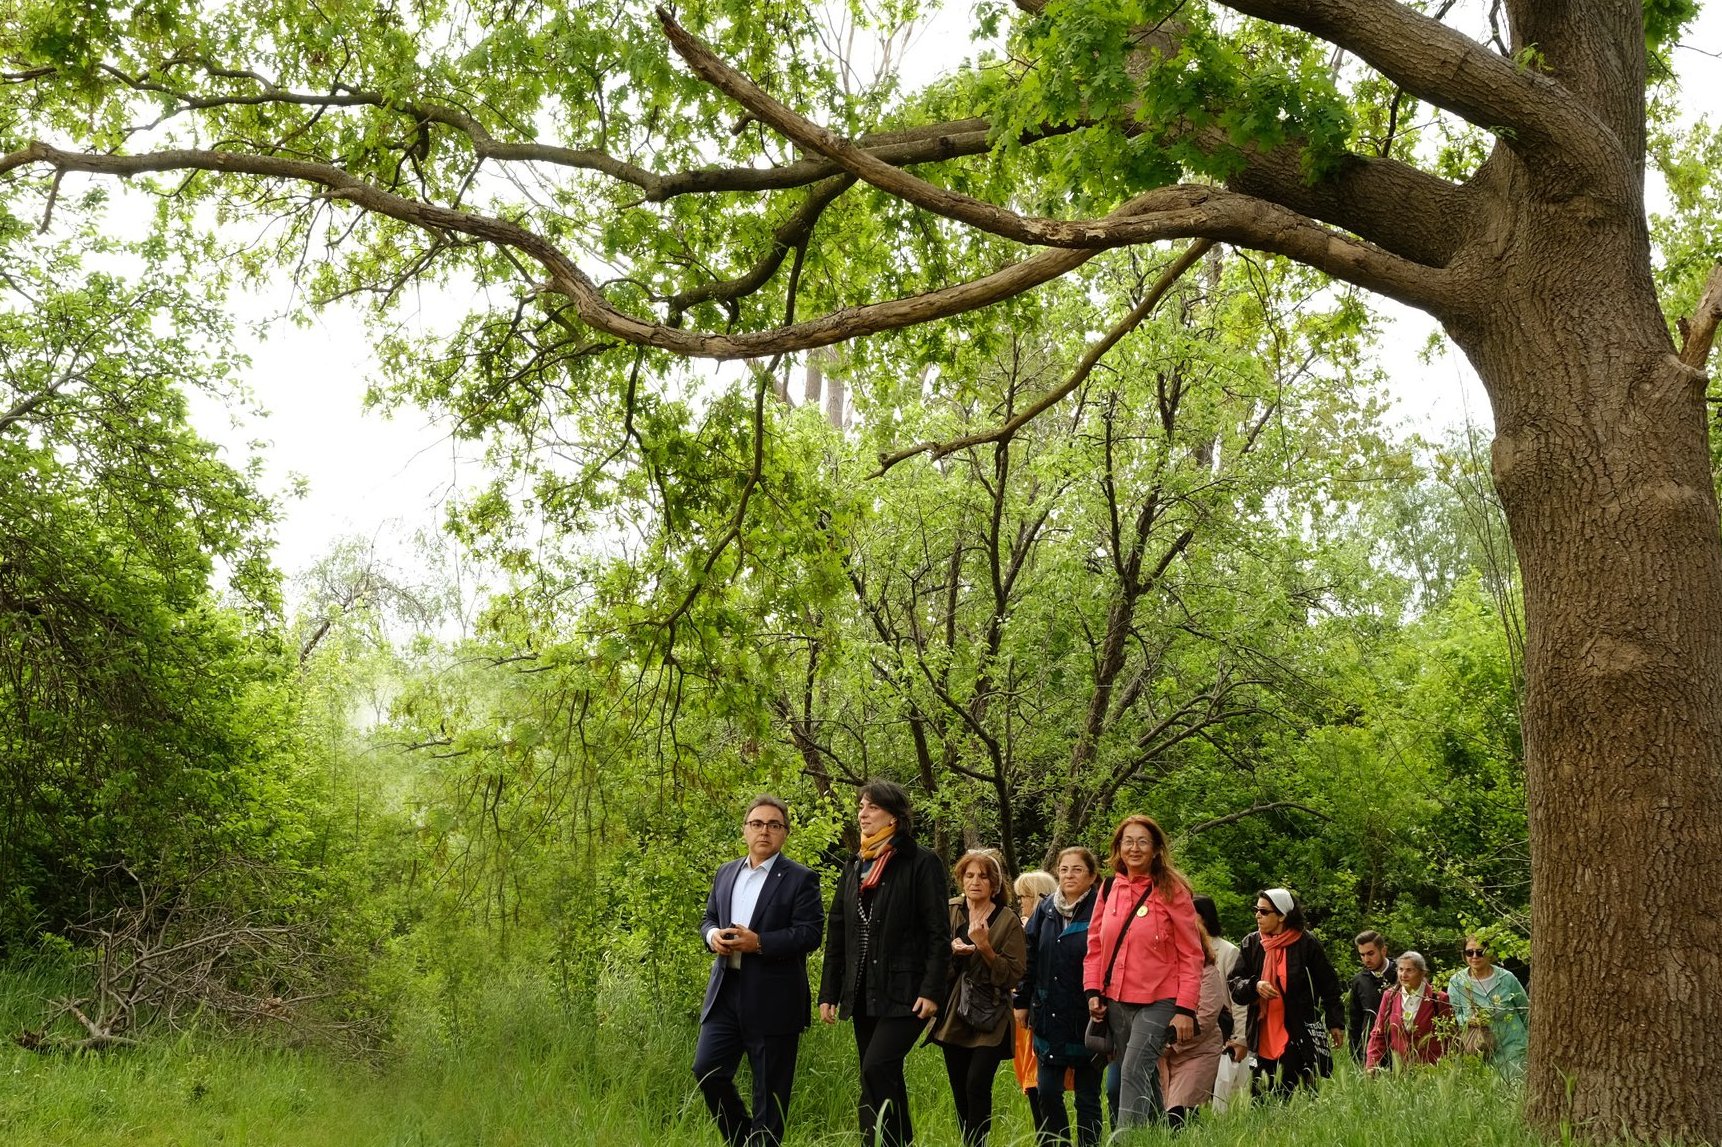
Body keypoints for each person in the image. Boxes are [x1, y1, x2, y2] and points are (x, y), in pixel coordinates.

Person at [818, 780, 950, 1147]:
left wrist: (932, 989)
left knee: (877, 1067)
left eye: (872, 807)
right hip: (862, 990)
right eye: (861, 806)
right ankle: (892, 1142)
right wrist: (829, 991)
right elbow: (838, 933)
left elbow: (938, 932)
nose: (863, 814)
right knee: (879, 1073)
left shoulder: (921, 862)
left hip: (906, 991)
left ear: (895, 815)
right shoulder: (854, 864)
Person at [694, 795, 825, 1147]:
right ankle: (744, 1140)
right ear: (744, 830)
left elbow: (810, 933)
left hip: (774, 998)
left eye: (773, 825)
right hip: (725, 991)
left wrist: (760, 943)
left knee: (769, 1094)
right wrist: (712, 936)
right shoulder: (726, 872)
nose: (764, 831)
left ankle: (762, 1142)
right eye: (757, 824)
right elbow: (708, 918)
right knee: (707, 1070)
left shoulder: (801, 879)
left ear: (785, 833)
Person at [1082, 814, 1204, 1130]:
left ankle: (1124, 1139)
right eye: (1128, 841)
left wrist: (1185, 1009)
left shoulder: (1172, 889)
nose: (1134, 848)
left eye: (1142, 842)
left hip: (1160, 999)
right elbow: (1095, 944)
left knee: (1132, 1072)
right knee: (1144, 1077)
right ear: (1118, 848)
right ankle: (1162, 1136)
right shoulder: (1108, 888)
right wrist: (1093, 991)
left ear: (1155, 850)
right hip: (1117, 1000)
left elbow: (1192, 953)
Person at [929, 850, 1027, 1147]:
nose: (975, 882)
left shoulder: (1008, 920)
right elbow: (929, 959)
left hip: (992, 1014)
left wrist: (985, 948)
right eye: (969, 875)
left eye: (983, 876)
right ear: (960, 878)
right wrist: (951, 952)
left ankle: (978, 1143)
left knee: (976, 1084)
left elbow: (1013, 974)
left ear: (995, 884)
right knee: (959, 1087)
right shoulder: (949, 910)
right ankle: (968, 1141)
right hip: (954, 1013)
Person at [1015, 847, 1104, 1147]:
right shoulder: (1046, 909)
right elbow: (1030, 957)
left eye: (1077, 869)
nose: (1069, 875)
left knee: (1087, 1096)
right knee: (1048, 1091)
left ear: (1091, 876)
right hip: (1048, 1012)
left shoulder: (1101, 909)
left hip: (1089, 1015)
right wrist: (1021, 1002)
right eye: (1064, 869)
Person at [1227, 888, 1344, 1098]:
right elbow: (1235, 986)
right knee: (1262, 1101)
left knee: (1298, 1098)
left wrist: (1335, 1022)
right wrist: (1255, 986)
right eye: (1256, 910)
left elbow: (1329, 985)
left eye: (1263, 911)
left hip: (1298, 1034)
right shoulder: (1251, 943)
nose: (1257, 915)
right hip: (1262, 1034)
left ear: (1282, 915)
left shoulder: (1307, 943)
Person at [1157, 912, 1227, 1128]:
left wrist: (1170, 1044)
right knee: (1163, 1116)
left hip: (1197, 1052)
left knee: (1179, 1111)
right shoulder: (1162, 972)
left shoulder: (1208, 972)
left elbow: (1205, 1017)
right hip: (1163, 1057)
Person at [1191, 896, 1250, 1114]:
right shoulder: (1183, 950)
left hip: (1222, 1030)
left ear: (1204, 918)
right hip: (1191, 1028)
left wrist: (1240, 1036)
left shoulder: (1228, 951)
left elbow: (1237, 998)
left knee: (1221, 1093)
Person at [1010, 870, 1057, 1132]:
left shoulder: (1041, 927)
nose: (1020, 903)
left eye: (1023, 897)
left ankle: (1048, 1135)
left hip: (1039, 1012)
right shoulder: (1021, 924)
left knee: (1038, 1079)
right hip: (1021, 1011)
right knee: (1030, 1080)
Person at [1446, 933, 1529, 1076]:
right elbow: (1455, 1015)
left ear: (1489, 953)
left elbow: (1525, 1010)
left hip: (1512, 1046)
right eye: (1469, 952)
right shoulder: (1456, 982)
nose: (1474, 956)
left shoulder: (1506, 978)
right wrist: (1468, 1021)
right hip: (1479, 1050)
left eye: (1480, 952)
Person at [1364, 951, 1452, 1071]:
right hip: (1401, 1072)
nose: (1403, 975)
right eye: (1400, 969)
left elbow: (1450, 1037)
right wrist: (1371, 1064)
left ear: (1422, 973)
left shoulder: (1438, 998)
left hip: (1433, 1071)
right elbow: (1379, 1034)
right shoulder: (1390, 996)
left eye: (1410, 970)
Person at [1347, 930, 1397, 1063]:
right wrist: (1357, 1057)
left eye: (1370, 954)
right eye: (1362, 955)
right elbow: (1355, 1022)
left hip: (1400, 1051)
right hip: (1371, 1053)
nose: (1366, 959)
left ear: (1383, 951)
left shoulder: (1402, 974)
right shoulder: (1359, 981)